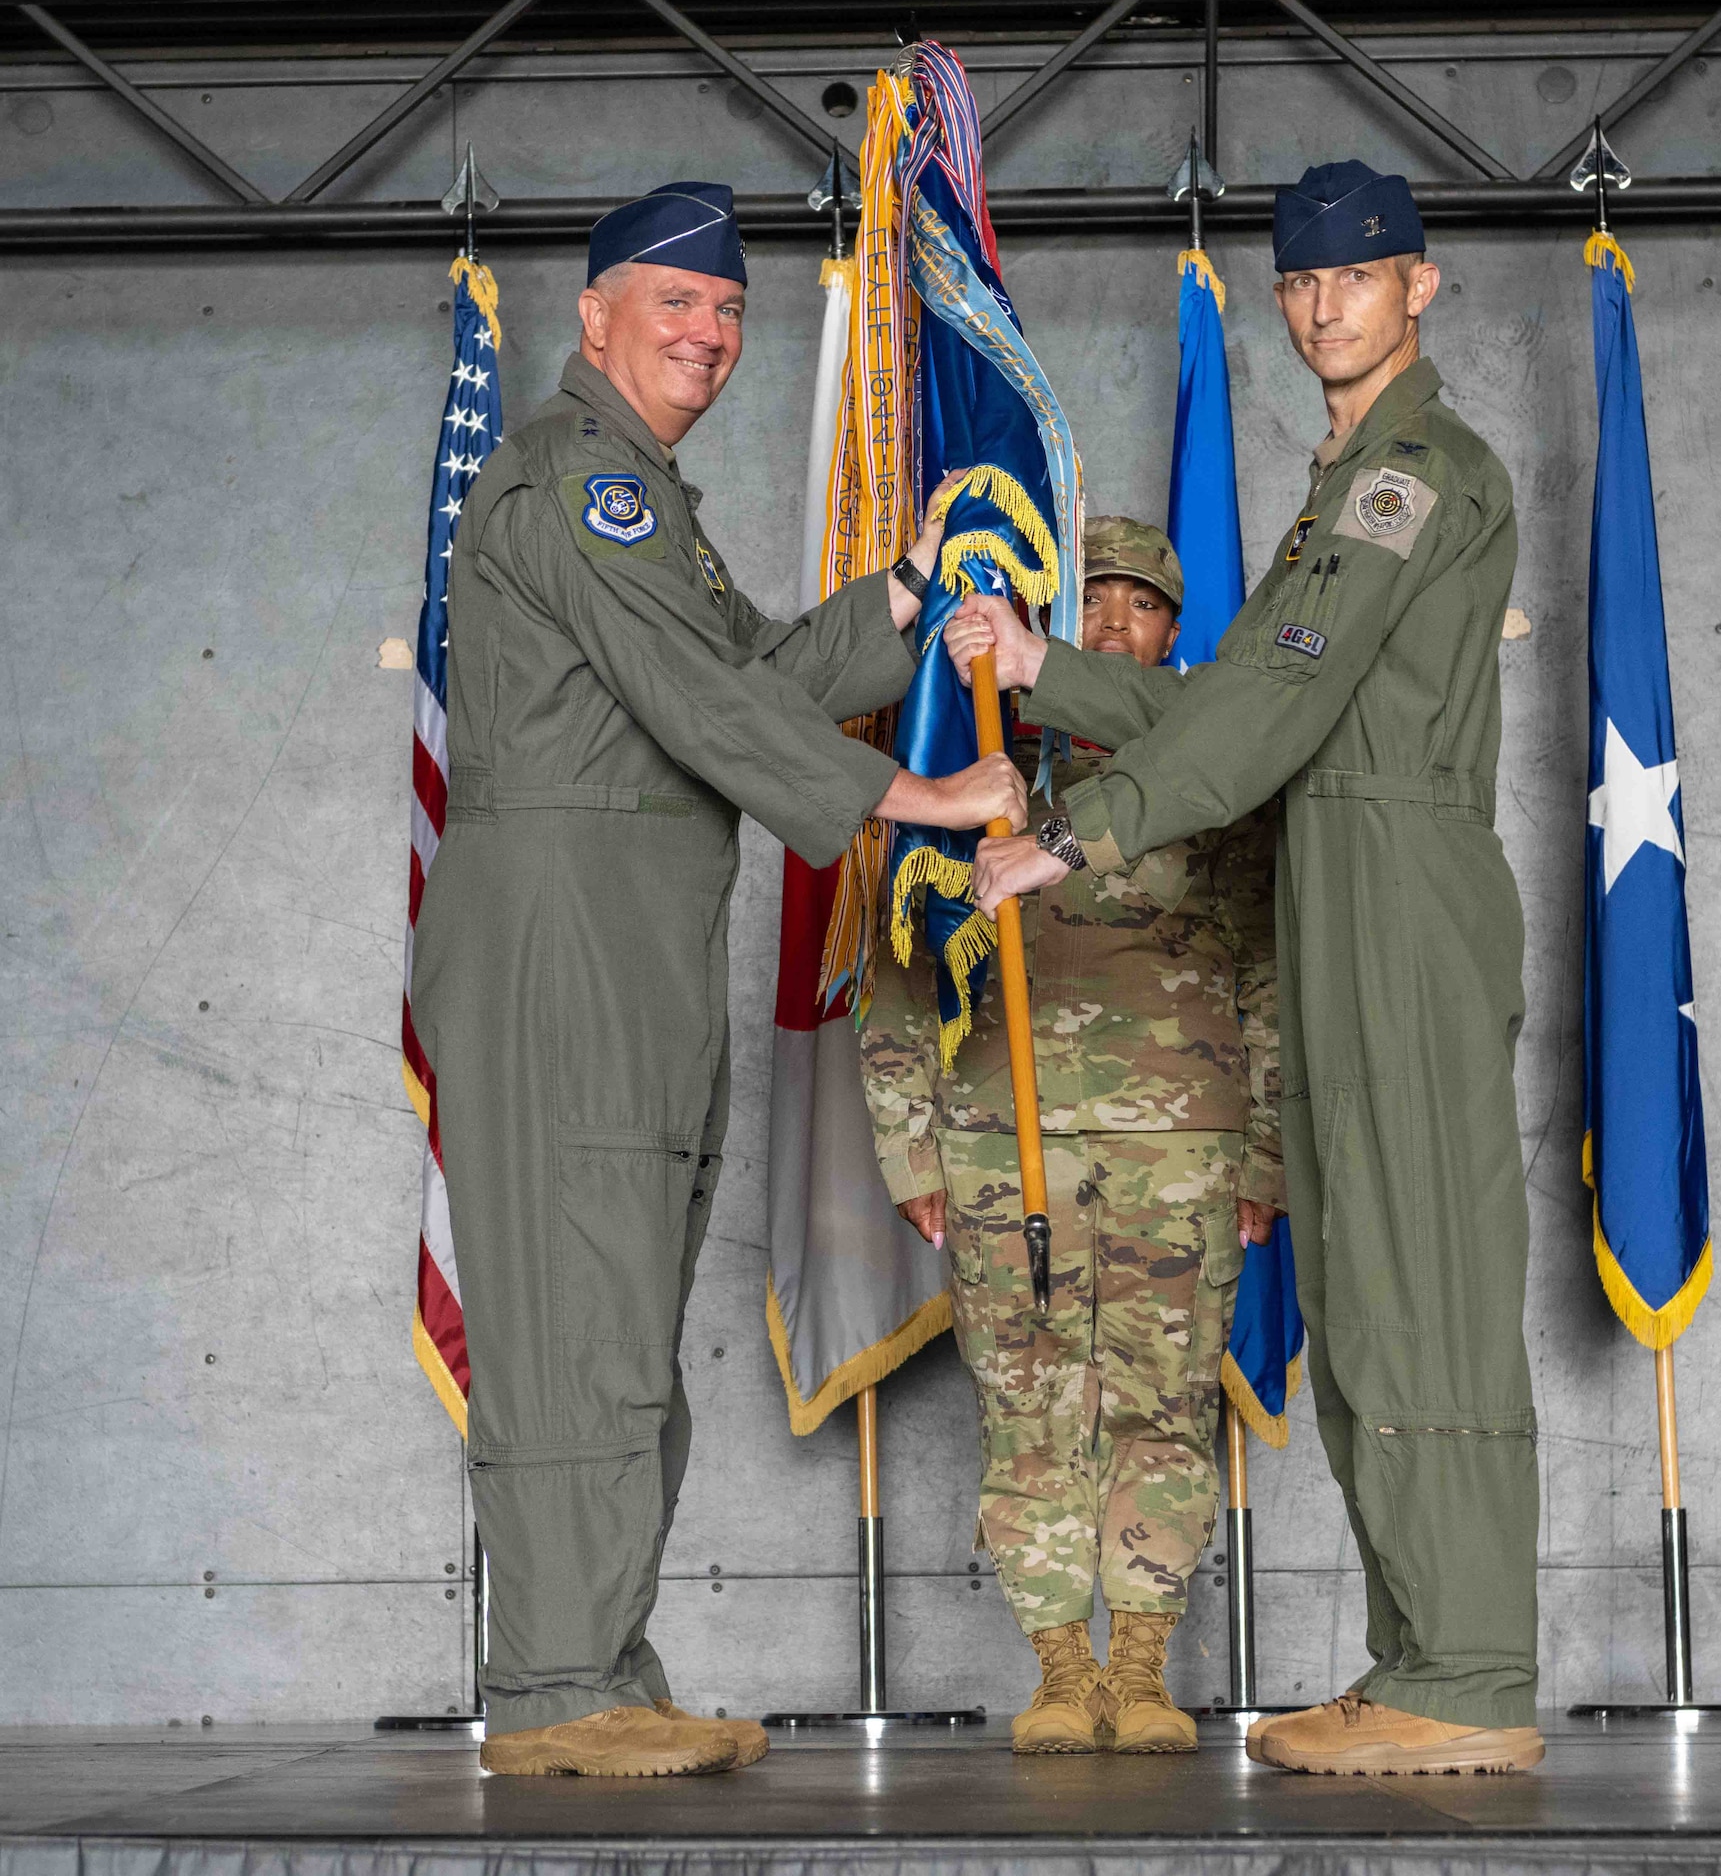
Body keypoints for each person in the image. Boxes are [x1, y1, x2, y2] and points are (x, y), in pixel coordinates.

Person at [410, 180, 1024, 1779]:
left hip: (627, 940)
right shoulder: (572, 487)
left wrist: (903, 590)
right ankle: (553, 1692)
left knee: (620, 1318)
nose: (709, 334)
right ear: (594, 314)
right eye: (674, 304)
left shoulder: (646, 501)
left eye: (733, 311)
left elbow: (748, 674)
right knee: (573, 1319)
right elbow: (711, 710)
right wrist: (922, 799)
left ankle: (601, 1664)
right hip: (563, 946)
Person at [947, 161, 1544, 1777]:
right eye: (1300, 281)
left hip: (1402, 896)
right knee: (1365, 1303)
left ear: (1422, 288)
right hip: (1339, 893)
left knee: (1422, 1291)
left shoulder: (1409, 476)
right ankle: (1424, 1657)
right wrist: (1047, 667)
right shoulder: (1336, 484)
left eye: (1357, 277)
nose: (1322, 303)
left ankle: (1476, 1672)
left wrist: (1077, 833)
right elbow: (1234, 701)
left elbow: (1266, 708)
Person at [863, 517, 1284, 1756]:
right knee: (1028, 1405)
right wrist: (909, 1143)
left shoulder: (1218, 769)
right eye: (1087, 603)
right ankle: (1058, 1667)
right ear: (1045, 621)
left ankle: (1142, 1666)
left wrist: (1265, 1152)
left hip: (1180, 1147)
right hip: (1006, 1140)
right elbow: (897, 960)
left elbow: (1266, 966)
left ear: (1171, 628)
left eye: (1137, 607)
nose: (1110, 625)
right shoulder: (975, 761)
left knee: (1162, 1406)